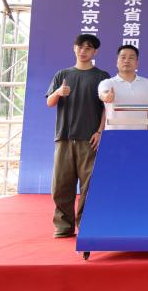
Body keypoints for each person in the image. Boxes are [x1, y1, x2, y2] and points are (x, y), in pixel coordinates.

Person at [45, 33, 110, 238]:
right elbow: (49, 102)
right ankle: (63, 226)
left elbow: (106, 108)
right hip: (64, 137)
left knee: (89, 186)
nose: (83, 51)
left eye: (88, 48)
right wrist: (58, 93)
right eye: (80, 47)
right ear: (74, 48)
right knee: (61, 184)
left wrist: (100, 131)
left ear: (95, 52)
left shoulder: (102, 77)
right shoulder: (62, 74)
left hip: (90, 139)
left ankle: (86, 226)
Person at [98, 45, 148, 130]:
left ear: (137, 63)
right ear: (117, 62)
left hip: (140, 134)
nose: (126, 60)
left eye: (131, 58)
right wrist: (107, 97)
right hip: (114, 134)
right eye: (123, 57)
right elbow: (103, 94)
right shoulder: (107, 83)